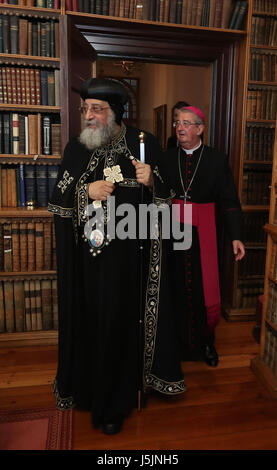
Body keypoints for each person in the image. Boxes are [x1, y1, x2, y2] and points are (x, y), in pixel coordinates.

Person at [48, 78, 185, 435]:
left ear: (116, 113)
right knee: (97, 326)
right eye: (85, 109)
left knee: (123, 327)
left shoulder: (145, 143)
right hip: (89, 267)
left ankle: (118, 400)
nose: (88, 116)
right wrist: (85, 190)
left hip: (132, 262)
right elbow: (59, 198)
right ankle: (95, 396)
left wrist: (152, 181)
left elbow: (167, 197)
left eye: (97, 109)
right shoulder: (76, 148)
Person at [158, 105, 245, 367]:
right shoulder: (166, 157)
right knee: (174, 289)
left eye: (186, 123)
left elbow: (229, 201)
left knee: (203, 291)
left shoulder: (216, 160)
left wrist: (236, 236)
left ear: (200, 129)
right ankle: (176, 345)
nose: (180, 128)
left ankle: (207, 344)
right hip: (172, 235)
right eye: (177, 123)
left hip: (204, 236)